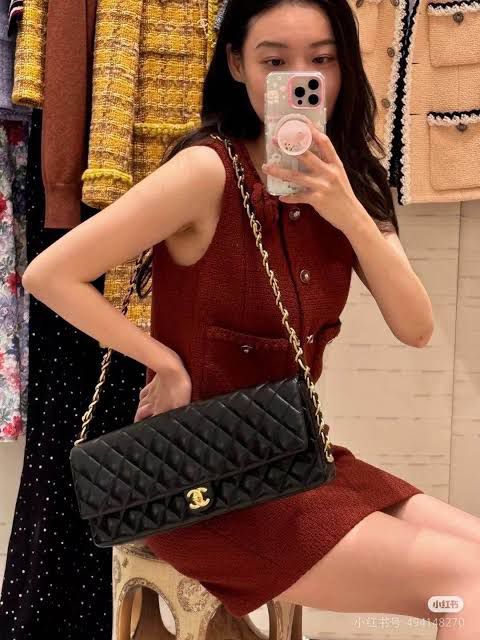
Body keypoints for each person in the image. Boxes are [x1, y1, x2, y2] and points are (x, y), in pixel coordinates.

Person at [22, 0, 480, 635]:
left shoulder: (347, 179)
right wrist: (162, 362)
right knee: (465, 581)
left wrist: (348, 210)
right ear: (236, 64)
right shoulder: (205, 171)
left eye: (321, 60)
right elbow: (49, 274)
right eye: (275, 61)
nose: (300, 77)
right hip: (200, 485)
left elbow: (416, 327)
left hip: (296, 459)